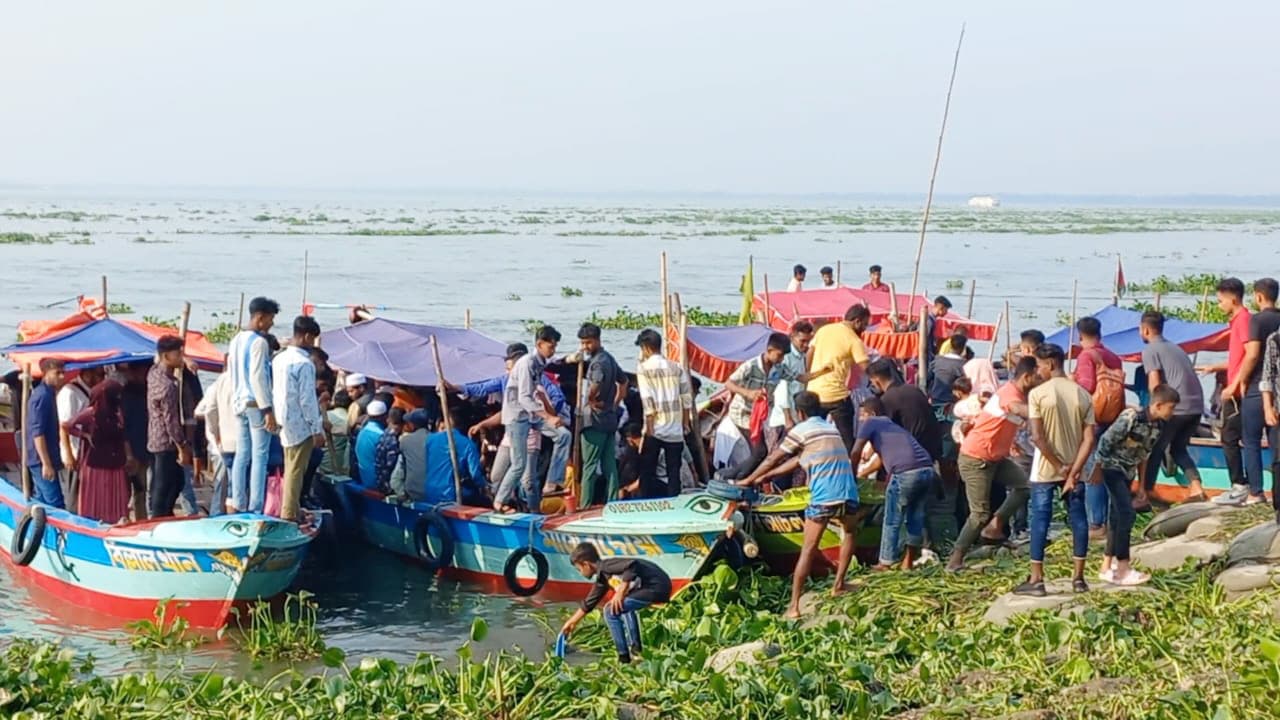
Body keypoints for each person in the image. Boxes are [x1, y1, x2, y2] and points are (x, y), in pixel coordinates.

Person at [737, 391, 861, 618]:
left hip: (824, 497)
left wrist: (747, 479)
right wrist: (767, 476)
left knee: (808, 550)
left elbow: (774, 457)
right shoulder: (829, 428)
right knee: (850, 532)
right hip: (848, 493)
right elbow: (798, 460)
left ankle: (794, 606)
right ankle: (839, 585)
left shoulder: (801, 430)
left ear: (800, 412)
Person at [1016, 344, 1096, 597]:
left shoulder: (1038, 394)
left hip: (1045, 470)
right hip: (1076, 468)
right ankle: (1079, 578)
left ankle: (1037, 579)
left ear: (1050, 364)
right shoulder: (1082, 394)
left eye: (1039, 366)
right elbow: (1089, 439)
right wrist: (1073, 472)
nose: (1038, 372)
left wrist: (1057, 465)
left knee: (1040, 519)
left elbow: (1038, 437)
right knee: (1079, 520)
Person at [946, 356, 1039, 572]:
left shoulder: (1018, 393)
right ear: (1027, 377)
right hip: (976, 458)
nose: (1039, 380)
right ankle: (955, 558)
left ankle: (995, 527)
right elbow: (1016, 409)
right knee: (979, 514)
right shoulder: (1010, 393)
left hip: (996, 457)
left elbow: (1010, 422)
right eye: (1037, 376)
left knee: (1024, 486)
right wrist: (1042, 411)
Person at [1096, 385, 1181, 586]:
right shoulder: (1131, 417)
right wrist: (1096, 470)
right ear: (1158, 405)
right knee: (1127, 514)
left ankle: (1106, 565)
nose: (1173, 412)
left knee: (1116, 516)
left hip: (1128, 472)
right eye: (1171, 407)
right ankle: (1123, 568)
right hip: (1112, 468)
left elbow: (1144, 456)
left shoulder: (1158, 427)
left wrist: (1142, 486)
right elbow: (1105, 442)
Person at [1211, 278, 1279, 506]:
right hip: (1276, 390)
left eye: (1220, 301)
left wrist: (1238, 381)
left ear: (1258, 296)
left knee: (1249, 440)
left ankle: (1255, 491)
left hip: (1256, 387)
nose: (1219, 305)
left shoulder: (1255, 320)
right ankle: (1273, 491)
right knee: (1274, 441)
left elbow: (1251, 354)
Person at [851, 397, 939, 570]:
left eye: (862, 415)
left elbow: (855, 452)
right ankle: (907, 562)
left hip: (907, 473)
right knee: (915, 517)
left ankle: (885, 563)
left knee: (892, 519)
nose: (860, 419)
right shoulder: (892, 427)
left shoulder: (871, 423)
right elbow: (885, 459)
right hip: (927, 469)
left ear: (872, 414)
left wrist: (851, 478)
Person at [559, 542, 673, 664]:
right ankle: (636, 650)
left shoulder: (606, 566)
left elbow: (632, 565)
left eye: (579, 569)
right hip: (654, 587)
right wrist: (571, 622)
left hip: (656, 586)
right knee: (622, 607)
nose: (580, 573)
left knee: (610, 611)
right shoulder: (603, 577)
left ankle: (623, 658)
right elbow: (589, 602)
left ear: (586, 565)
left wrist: (621, 592)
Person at [1135, 310, 1206, 506]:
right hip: (1196, 407)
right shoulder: (1176, 348)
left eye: (1140, 329)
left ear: (1146, 329)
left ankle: (1146, 492)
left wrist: (1151, 412)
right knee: (1178, 449)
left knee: (1154, 448)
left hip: (1176, 408)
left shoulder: (1150, 350)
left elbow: (1155, 384)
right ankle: (1196, 486)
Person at [496, 326, 563, 513]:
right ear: (539, 344)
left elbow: (556, 363)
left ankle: (552, 481)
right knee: (519, 465)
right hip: (518, 417)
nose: (553, 350)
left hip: (531, 416)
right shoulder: (526, 363)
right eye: (551, 346)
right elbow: (524, 398)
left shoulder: (539, 363)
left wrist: (571, 358)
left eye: (555, 346)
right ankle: (499, 501)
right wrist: (548, 416)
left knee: (563, 436)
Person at [722, 332, 806, 480]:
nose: (781, 360)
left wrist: (823, 372)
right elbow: (729, 383)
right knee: (760, 452)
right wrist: (747, 393)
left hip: (760, 416)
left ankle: (733, 476)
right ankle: (734, 478)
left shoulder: (778, 368)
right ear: (769, 350)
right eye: (779, 355)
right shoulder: (751, 365)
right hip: (743, 413)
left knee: (760, 453)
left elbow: (800, 377)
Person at [1073, 316, 1124, 537]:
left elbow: (1086, 386)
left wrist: (1070, 381)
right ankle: (1109, 519)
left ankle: (1095, 524)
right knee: (1106, 468)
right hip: (1113, 416)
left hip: (1094, 417)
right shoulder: (1113, 356)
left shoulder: (1087, 355)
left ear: (1080, 335)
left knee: (1092, 470)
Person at [228, 296, 279, 514]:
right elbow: (259, 377)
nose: (271, 324)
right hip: (255, 403)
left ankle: (238, 502)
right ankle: (256, 506)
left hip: (239, 402)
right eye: (270, 319)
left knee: (242, 454)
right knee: (260, 456)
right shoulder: (259, 342)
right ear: (260, 318)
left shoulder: (236, 339)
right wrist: (268, 410)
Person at [271, 316, 324, 521]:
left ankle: (290, 506)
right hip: (300, 423)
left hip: (283, 418)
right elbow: (307, 400)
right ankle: (289, 513)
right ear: (307, 336)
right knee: (296, 470)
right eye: (312, 340)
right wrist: (316, 428)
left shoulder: (278, 359)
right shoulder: (304, 364)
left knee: (289, 466)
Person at [63, 379, 133, 524]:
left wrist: (128, 456)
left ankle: (115, 521)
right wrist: (84, 435)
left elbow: (124, 435)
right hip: (95, 463)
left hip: (115, 461)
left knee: (114, 495)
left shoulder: (118, 413)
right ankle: (93, 523)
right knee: (96, 495)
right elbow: (66, 426)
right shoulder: (91, 413)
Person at [633, 329, 693, 498]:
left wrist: (648, 431)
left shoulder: (643, 369)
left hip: (656, 428)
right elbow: (686, 397)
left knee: (647, 471)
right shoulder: (676, 367)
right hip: (675, 429)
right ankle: (673, 503)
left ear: (646, 348)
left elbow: (648, 401)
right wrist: (685, 423)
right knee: (674, 472)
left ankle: (646, 502)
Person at [806, 304, 872, 450]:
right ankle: (849, 469)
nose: (865, 329)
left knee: (814, 437)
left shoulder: (824, 330)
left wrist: (810, 376)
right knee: (848, 441)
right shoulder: (854, 340)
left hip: (814, 393)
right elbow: (866, 367)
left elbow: (809, 353)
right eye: (865, 325)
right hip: (836, 396)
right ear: (857, 321)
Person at [576, 323, 627, 506]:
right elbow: (624, 382)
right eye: (582, 343)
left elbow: (596, 384)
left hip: (594, 420)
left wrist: (590, 400)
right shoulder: (610, 359)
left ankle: (584, 505)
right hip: (609, 418)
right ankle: (612, 503)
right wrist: (615, 404)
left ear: (597, 340)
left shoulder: (598, 362)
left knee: (589, 465)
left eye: (588, 343)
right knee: (609, 466)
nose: (585, 347)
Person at [147, 336, 192, 517]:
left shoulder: (153, 373)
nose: (181, 356)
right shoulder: (168, 386)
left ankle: (163, 514)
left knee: (168, 482)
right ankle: (160, 517)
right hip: (166, 441)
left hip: (154, 437)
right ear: (166, 356)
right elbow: (171, 420)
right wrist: (182, 446)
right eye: (178, 353)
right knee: (166, 484)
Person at [867, 359, 943, 463]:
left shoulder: (887, 399)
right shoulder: (914, 390)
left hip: (914, 454)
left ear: (876, 380)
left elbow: (882, 435)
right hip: (933, 448)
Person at [57, 365, 104, 513]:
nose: (102, 379)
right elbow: (64, 426)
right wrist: (69, 454)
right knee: (75, 494)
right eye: (100, 375)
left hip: (90, 453)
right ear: (88, 374)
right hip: (76, 452)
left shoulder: (92, 392)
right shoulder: (70, 393)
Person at [194, 362, 238, 516]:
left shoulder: (216, 384)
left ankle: (217, 516)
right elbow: (202, 411)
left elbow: (201, 411)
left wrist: (214, 431)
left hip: (221, 444)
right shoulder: (238, 383)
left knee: (223, 486)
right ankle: (218, 515)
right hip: (228, 444)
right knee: (228, 487)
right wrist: (215, 431)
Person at [25, 358, 69, 508]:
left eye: (63, 373)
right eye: (58, 373)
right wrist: (46, 463)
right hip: (40, 460)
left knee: (42, 503)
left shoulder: (48, 394)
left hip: (43, 458)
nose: (62, 377)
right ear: (46, 373)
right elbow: (38, 433)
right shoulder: (42, 396)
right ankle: (59, 532)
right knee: (55, 503)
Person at [423, 408, 487, 505]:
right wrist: (486, 487)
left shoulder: (430, 440)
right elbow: (475, 476)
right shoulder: (467, 444)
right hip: (453, 495)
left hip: (430, 492)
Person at [118, 361, 151, 520]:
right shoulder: (125, 394)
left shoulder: (147, 390)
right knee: (126, 490)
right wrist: (128, 453)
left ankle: (141, 520)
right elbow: (123, 426)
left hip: (145, 446)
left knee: (141, 490)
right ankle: (125, 519)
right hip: (129, 448)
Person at [1259, 323, 1280, 523]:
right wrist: (1268, 407)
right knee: (1278, 461)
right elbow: (1268, 376)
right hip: (1279, 412)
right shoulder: (1275, 339)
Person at [390, 409, 431, 501]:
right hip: (432, 491)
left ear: (412, 425)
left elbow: (398, 473)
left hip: (412, 492)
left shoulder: (405, 441)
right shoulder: (436, 439)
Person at [354, 399, 389, 489]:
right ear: (384, 416)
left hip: (363, 479)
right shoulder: (381, 435)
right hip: (377, 483)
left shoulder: (361, 432)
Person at [930, 334, 969, 404]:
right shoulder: (964, 365)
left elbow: (928, 377)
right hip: (951, 404)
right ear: (963, 348)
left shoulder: (938, 360)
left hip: (934, 399)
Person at [372, 407, 404, 494]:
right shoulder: (394, 441)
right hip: (388, 486)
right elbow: (391, 466)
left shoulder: (383, 435)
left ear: (388, 420)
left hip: (379, 480)